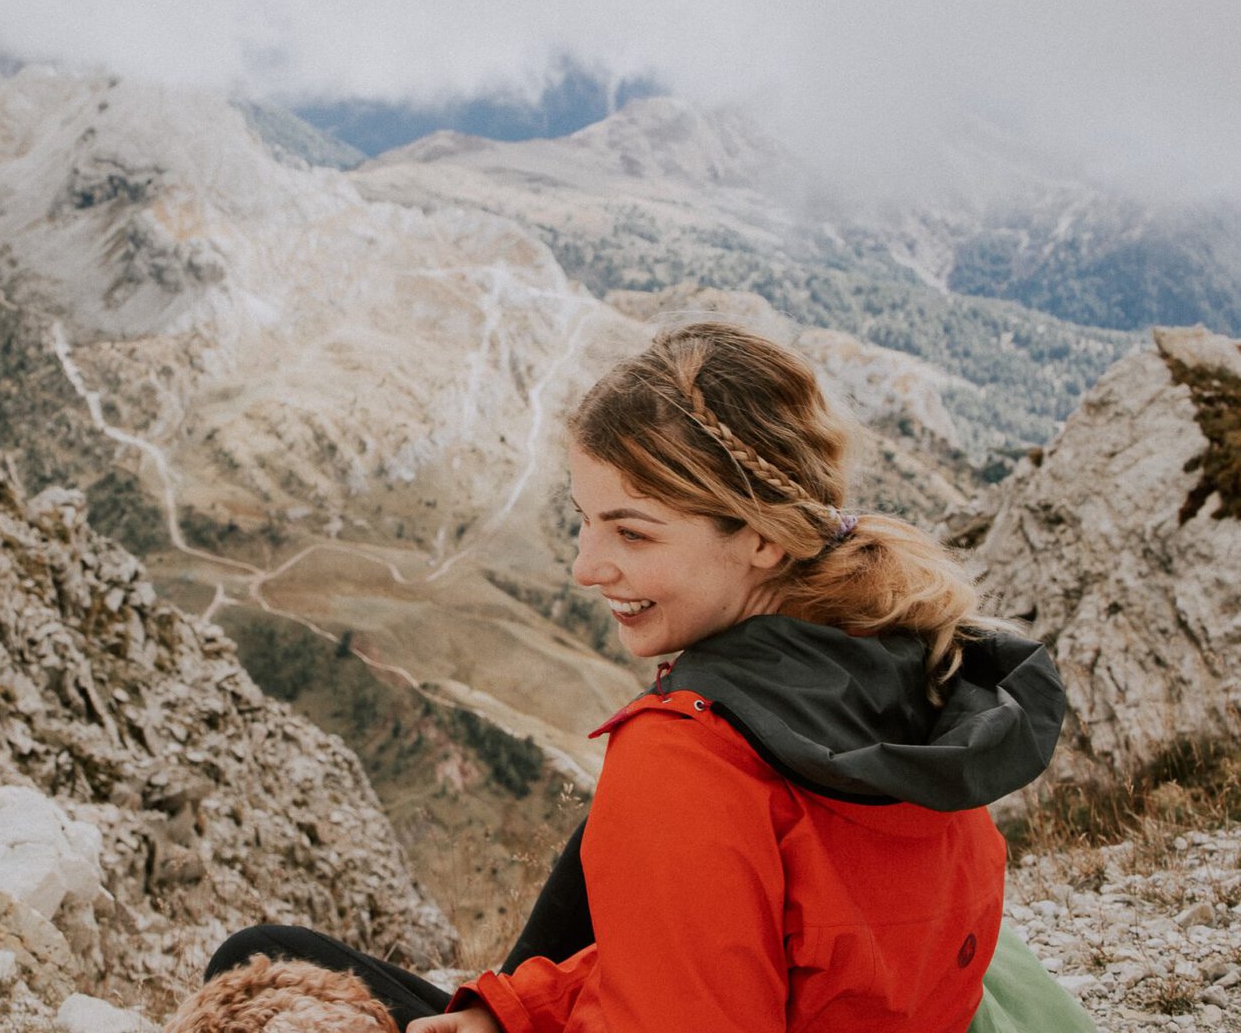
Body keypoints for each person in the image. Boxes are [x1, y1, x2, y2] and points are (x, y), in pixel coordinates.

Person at [205, 320, 1087, 1032]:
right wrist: (519, 1008)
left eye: (632, 534)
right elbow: (784, 954)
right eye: (584, 522)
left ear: (763, 535)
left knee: (257, 962)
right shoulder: (915, 654)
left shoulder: (692, 757)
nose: (587, 567)